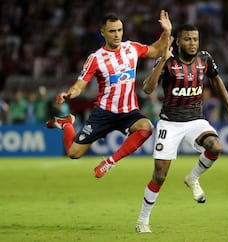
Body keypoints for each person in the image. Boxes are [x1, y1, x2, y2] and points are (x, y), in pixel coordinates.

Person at [135, 24, 228, 233]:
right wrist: (163, 61)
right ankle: (143, 220)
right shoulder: (168, 62)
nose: (192, 43)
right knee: (159, 175)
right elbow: (147, 88)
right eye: (187, 39)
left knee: (215, 146)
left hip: (196, 119)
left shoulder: (205, 59)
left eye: (195, 39)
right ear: (177, 41)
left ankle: (193, 177)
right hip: (170, 122)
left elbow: (217, 81)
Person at [46, 10, 172, 178]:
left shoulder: (131, 48)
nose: (117, 34)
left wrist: (167, 31)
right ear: (103, 32)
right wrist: (69, 94)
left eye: (120, 30)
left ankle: (109, 162)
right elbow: (80, 85)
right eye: (112, 31)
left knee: (147, 127)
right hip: (104, 113)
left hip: (128, 112)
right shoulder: (96, 58)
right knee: (73, 153)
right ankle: (67, 123)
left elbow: (156, 50)